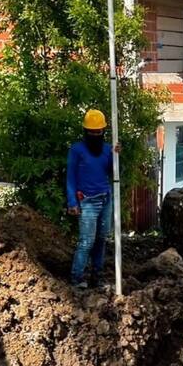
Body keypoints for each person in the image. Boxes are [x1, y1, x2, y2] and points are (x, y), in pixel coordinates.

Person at [66, 109, 119, 289]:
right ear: (85, 131)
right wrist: (72, 202)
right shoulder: (77, 150)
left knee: (101, 240)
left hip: (106, 199)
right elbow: (71, 176)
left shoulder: (107, 150)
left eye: (99, 131)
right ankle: (76, 279)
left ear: (103, 131)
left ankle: (97, 278)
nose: (96, 134)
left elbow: (114, 173)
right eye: (92, 131)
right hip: (87, 201)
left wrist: (116, 156)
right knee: (86, 241)